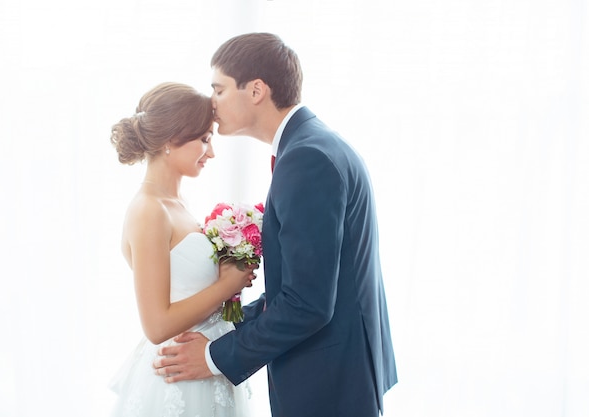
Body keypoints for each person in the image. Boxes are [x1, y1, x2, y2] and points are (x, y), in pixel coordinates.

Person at [153, 33, 398, 417]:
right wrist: (227, 326)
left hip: (328, 386)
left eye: (218, 89)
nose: (211, 104)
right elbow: (303, 285)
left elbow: (308, 303)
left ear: (256, 90)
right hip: (340, 373)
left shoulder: (307, 159)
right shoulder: (315, 146)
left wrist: (215, 357)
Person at [108, 81, 255, 417]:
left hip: (205, 368)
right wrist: (226, 285)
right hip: (180, 379)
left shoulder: (177, 204)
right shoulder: (149, 210)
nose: (212, 152)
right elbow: (157, 326)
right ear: (172, 140)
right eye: (204, 139)